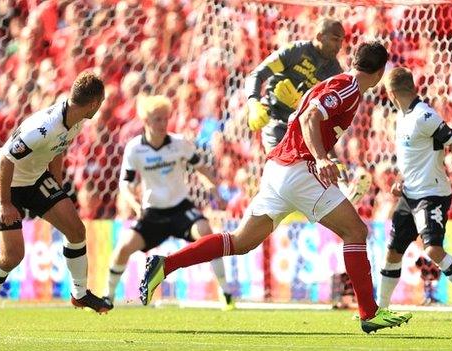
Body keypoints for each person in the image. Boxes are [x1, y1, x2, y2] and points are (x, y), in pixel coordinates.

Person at [140, 42, 413, 334]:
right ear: (380, 70)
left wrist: (325, 156)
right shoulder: (348, 88)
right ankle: (368, 313)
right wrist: (321, 158)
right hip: (300, 169)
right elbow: (309, 118)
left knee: (241, 242)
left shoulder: (335, 84)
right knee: (356, 232)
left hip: (278, 169)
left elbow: (305, 119)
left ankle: (164, 265)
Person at [0, 71, 112, 330]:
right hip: (5, 183)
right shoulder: (43, 127)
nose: (100, 107)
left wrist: (56, 189)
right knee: (12, 256)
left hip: (35, 180)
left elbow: (58, 150)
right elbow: (5, 160)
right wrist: (5, 204)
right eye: (101, 103)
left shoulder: (77, 119)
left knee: (76, 230)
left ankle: (79, 294)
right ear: (93, 103)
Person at [104, 95, 234, 310]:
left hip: (180, 208)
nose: (164, 124)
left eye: (166, 119)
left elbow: (201, 167)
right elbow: (125, 184)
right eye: (158, 119)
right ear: (146, 121)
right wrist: (134, 203)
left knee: (207, 234)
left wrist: (211, 185)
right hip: (152, 212)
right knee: (122, 248)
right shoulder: (135, 149)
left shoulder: (179, 143)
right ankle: (107, 297)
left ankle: (226, 294)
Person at [377, 67, 452, 322]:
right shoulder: (403, 117)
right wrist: (399, 182)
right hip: (410, 194)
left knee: (433, 249)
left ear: (392, 93)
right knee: (393, 251)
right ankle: (378, 309)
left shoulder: (424, 115)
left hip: (432, 193)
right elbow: (413, 158)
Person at [245, 18, 344, 153]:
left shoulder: (335, 72)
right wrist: (253, 103)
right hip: (275, 119)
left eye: (341, 41)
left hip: (303, 127)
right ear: (319, 36)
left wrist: (299, 104)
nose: (339, 46)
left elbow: (329, 114)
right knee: (278, 165)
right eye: (335, 39)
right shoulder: (295, 52)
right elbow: (257, 75)